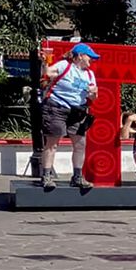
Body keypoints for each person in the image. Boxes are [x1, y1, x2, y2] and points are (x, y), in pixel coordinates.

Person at [40, 43, 100, 190]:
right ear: (80, 56)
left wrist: (93, 93)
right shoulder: (64, 66)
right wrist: (44, 62)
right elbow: (48, 73)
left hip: (77, 111)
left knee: (80, 143)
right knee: (52, 142)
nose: (91, 60)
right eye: (89, 57)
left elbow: (94, 97)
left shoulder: (89, 74)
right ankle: (47, 175)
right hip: (57, 107)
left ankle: (77, 176)